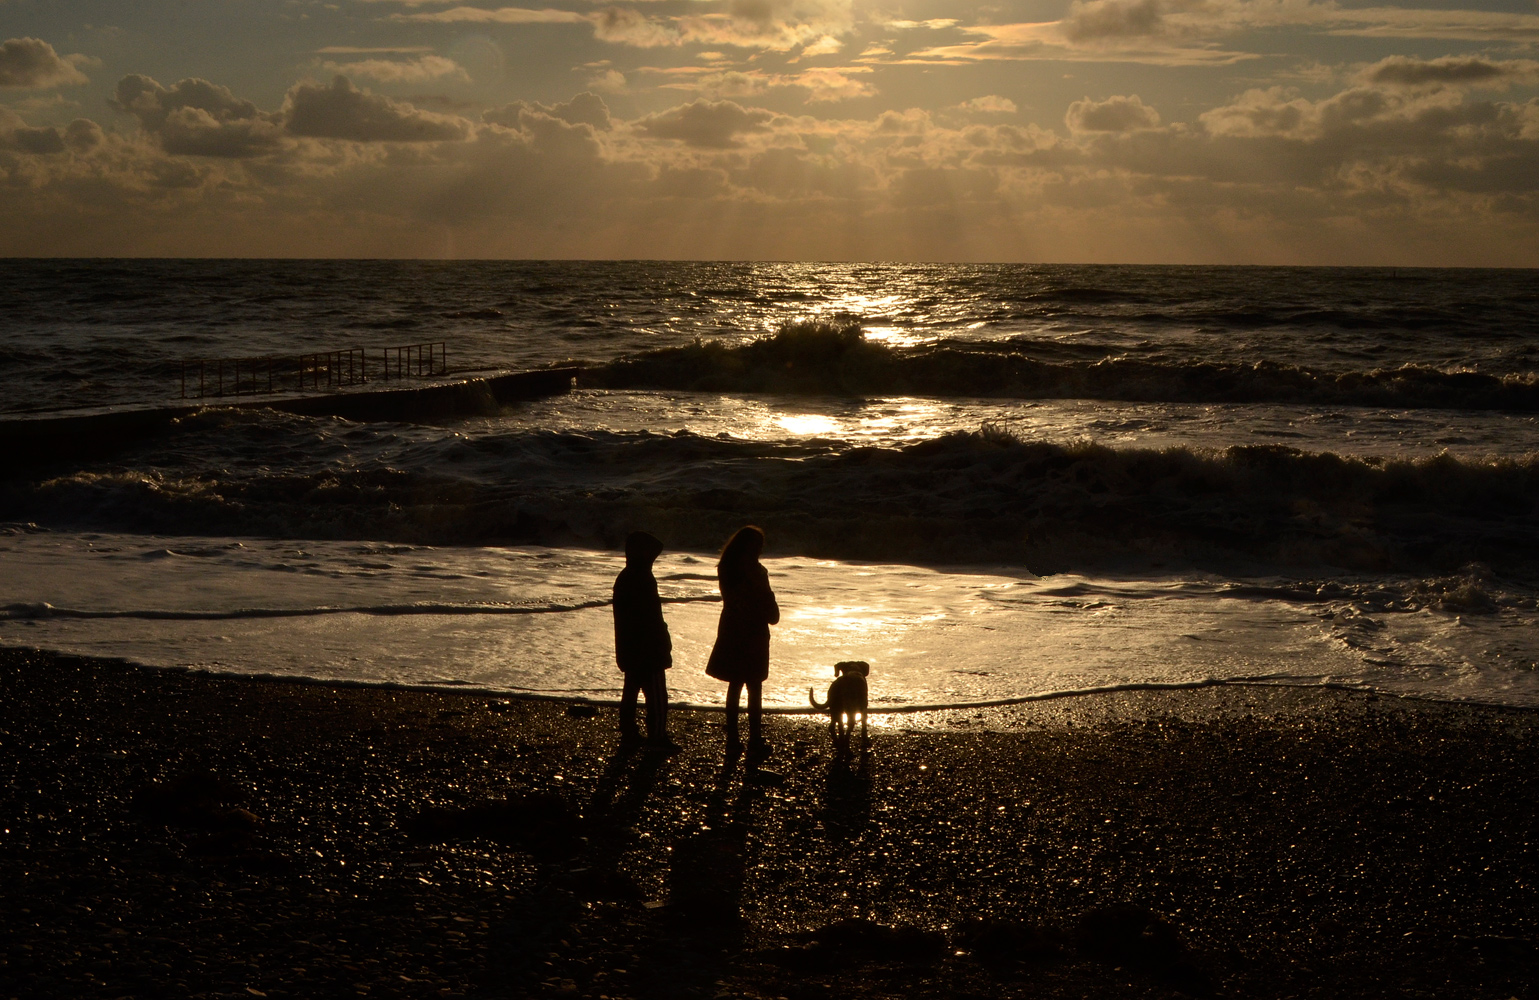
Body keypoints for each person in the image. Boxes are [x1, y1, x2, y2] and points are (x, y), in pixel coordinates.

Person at [705, 525, 780, 764]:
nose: (759, 550)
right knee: (751, 685)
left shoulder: (728, 568)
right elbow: (766, 607)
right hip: (750, 630)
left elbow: (735, 601)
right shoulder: (753, 571)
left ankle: (736, 739)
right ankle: (752, 739)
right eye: (757, 545)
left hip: (734, 627)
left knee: (738, 684)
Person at [613, 531, 678, 752]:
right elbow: (651, 618)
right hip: (648, 648)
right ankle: (657, 736)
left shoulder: (626, 576)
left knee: (631, 689)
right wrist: (662, 642)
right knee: (657, 695)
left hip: (630, 647)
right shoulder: (642, 578)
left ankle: (628, 730)